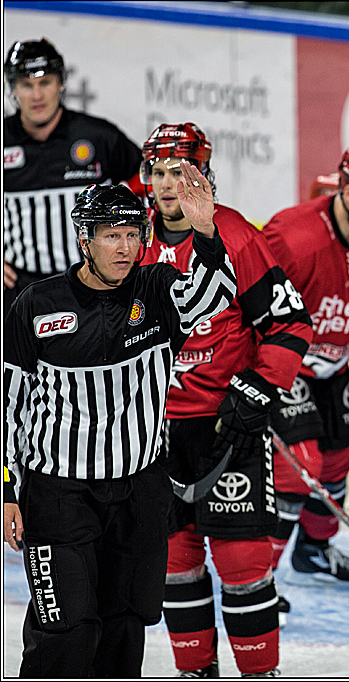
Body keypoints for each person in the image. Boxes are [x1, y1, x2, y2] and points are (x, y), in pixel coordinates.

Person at [2, 168, 237, 678]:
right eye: (112, 235)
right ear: (84, 239)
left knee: (126, 624)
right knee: (68, 628)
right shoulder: (37, 305)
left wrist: (206, 230)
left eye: (134, 234)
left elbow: (216, 296)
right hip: (58, 493)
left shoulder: (156, 290)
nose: (125, 247)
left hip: (139, 491)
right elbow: (7, 406)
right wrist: (5, 491)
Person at [138, 123, 312, 677]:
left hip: (225, 428)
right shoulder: (128, 236)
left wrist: (259, 387)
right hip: (151, 434)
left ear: (204, 174)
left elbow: (289, 323)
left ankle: (260, 673)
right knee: (175, 561)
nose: (169, 185)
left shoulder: (234, 233)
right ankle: (195, 670)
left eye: (181, 172)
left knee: (243, 561)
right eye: (159, 173)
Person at [260, 142, 349, 584]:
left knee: (341, 457)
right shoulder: (290, 236)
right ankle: (260, 578)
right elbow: (246, 301)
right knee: (297, 466)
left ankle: (314, 552)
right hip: (285, 363)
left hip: (334, 363)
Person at [3, 38, 142, 318]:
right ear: (13, 89)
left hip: (93, 287)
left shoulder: (99, 137)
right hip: (19, 290)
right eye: (27, 85)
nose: (37, 95)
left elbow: (148, 184)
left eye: (45, 83)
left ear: (61, 83)